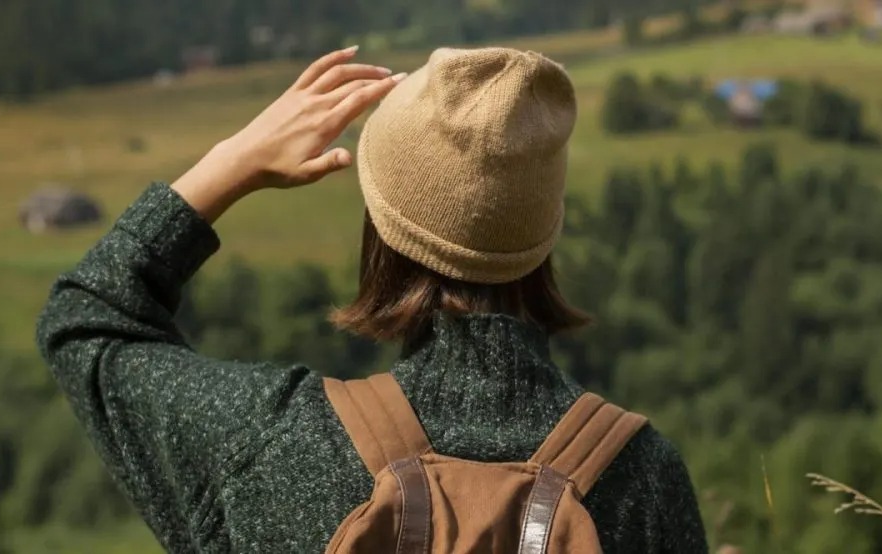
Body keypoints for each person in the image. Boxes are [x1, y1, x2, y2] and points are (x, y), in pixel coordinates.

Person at [37, 45, 708, 553]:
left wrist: (232, 162)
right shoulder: (642, 478)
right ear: (545, 231)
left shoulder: (276, 444)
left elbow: (85, 318)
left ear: (382, 227)